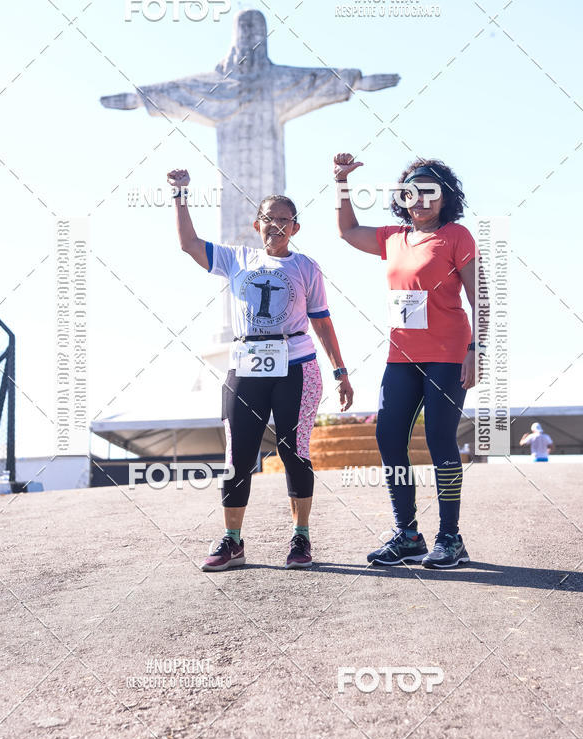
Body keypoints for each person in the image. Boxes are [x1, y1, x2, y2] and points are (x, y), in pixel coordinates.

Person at [168, 167, 354, 571]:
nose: (276, 225)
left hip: (297, 366)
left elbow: (322, 321)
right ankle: (232, 541)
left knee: (294, 451)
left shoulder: (306, 267)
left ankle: (301, 538)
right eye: (269, 218)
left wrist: (341, 371)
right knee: (237, 455)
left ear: (296, 227)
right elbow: (188, 243)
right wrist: (181, 194)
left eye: (284, 219)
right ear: (257, 225)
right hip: (246, 366)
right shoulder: (238, 258)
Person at [334, 152, 484, 569]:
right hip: (400, 356)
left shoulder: (457, 236)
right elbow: (346, 230)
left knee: (439, 439)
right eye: (413, 192)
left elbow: (480, 300)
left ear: (445, 198)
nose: (421, 200)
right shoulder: (393, 237)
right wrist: (341, 182)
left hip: (449, 354)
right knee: (388, 438)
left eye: (431, 193)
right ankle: (408, 535)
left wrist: (477, 350)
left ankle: (450, 538)